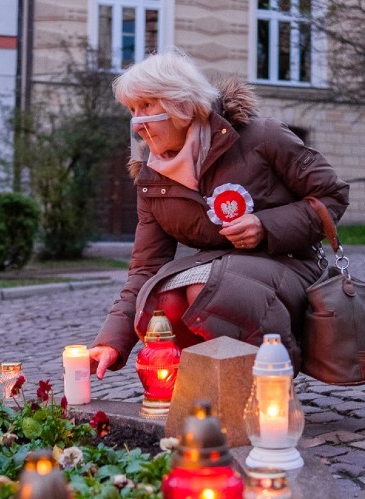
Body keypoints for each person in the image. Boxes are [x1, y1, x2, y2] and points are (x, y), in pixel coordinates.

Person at [89, 50, 349, 379]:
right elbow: (146, 266)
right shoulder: (152, 177)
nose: (138, 124)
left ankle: (271, 375)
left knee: (207, 290)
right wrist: (111, 342)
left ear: (179, 104)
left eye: (146, 106)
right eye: (131, 110)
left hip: (289, 265)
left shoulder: (262, 136)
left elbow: (333, 194)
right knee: (162, 297)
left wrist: (265, 226)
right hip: (215, 275)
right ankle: (206, 386)